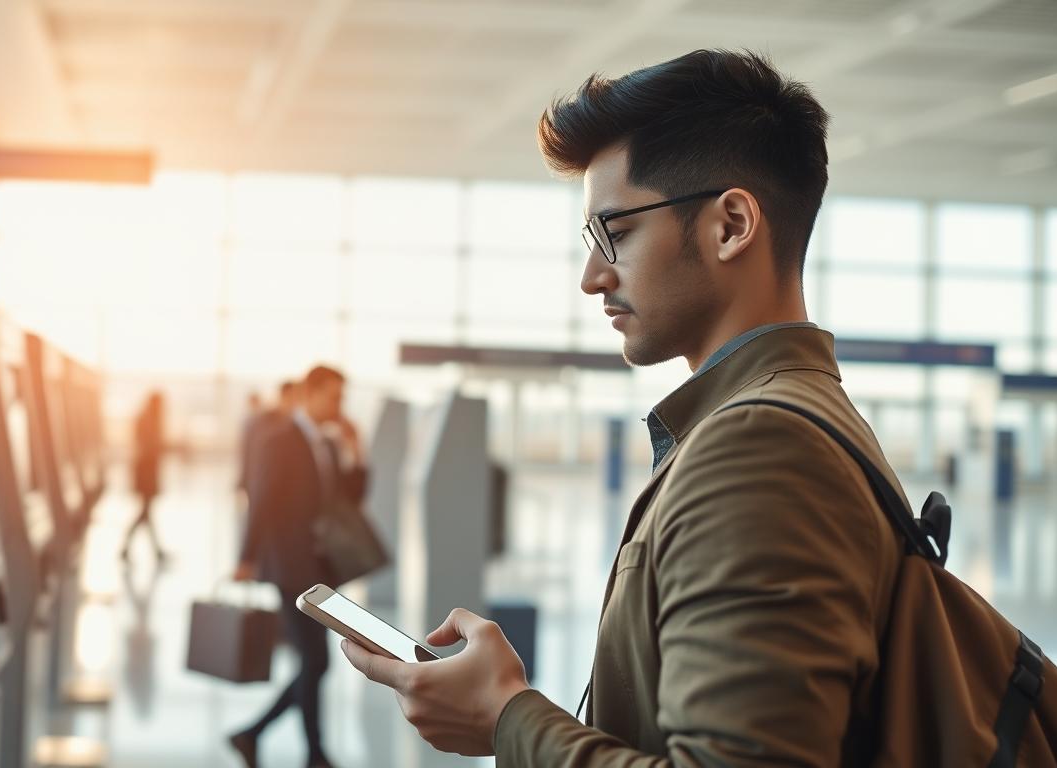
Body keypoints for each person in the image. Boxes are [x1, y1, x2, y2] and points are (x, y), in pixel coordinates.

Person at [340, 49, 912, 766]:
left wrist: (506, 720)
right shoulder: (795, 415)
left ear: (731, 224)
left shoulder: (762, 447)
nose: (592, 276)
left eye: (618, 231)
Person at [230, 365, 366, 768]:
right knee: (316, 660)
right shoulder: (281, 440)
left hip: (316, 564)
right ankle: (310, 752)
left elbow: (351, 499)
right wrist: (247, 557)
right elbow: (263, 500)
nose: (340, 406)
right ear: (311, 393)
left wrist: (355, 451)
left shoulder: (325, 443)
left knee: (314, 661)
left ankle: (258, 736)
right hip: (290, 565)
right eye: (334, 397)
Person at [121, 391, 171, 561]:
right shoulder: (148, 421)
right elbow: (149, 448)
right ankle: (127, 547)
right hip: (145, 473)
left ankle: (155, 551)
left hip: (145, 471)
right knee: (145, 512)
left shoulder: (145, 418)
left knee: (146, 513)